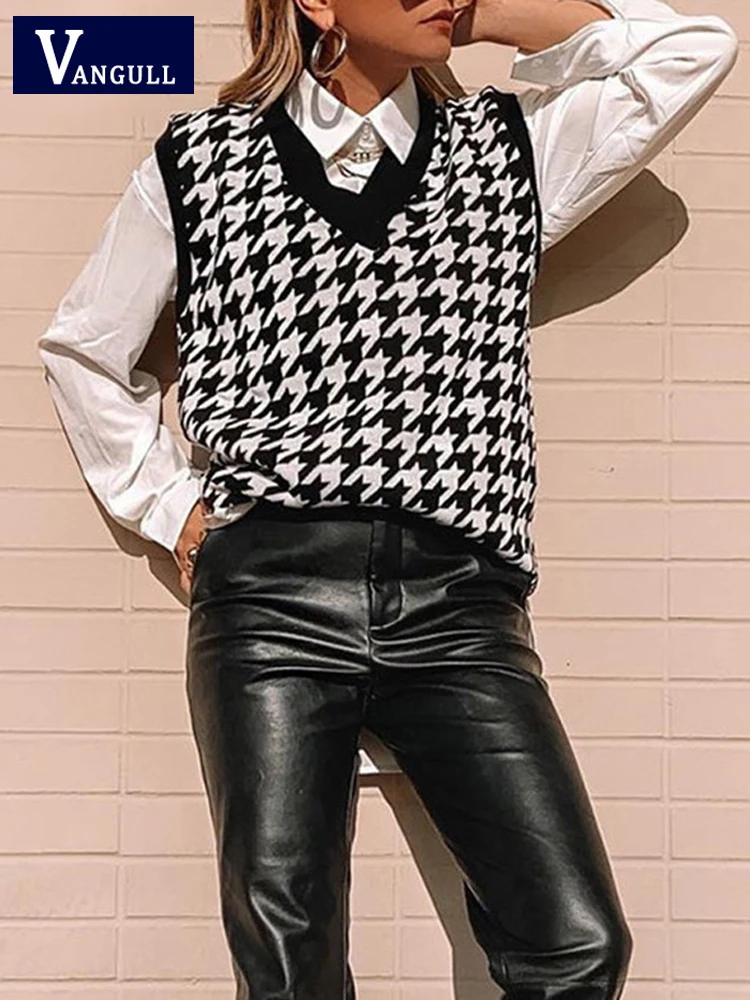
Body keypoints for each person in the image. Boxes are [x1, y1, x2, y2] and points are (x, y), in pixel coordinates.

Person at [38, 0, 737, 997]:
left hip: (461, 604)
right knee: (292, 968)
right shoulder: (198, 164)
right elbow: (84, 350)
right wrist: (170, 508)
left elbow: (691, 50)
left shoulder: (510, 153)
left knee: (579, 945)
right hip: (270, 604)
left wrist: (482, 15)